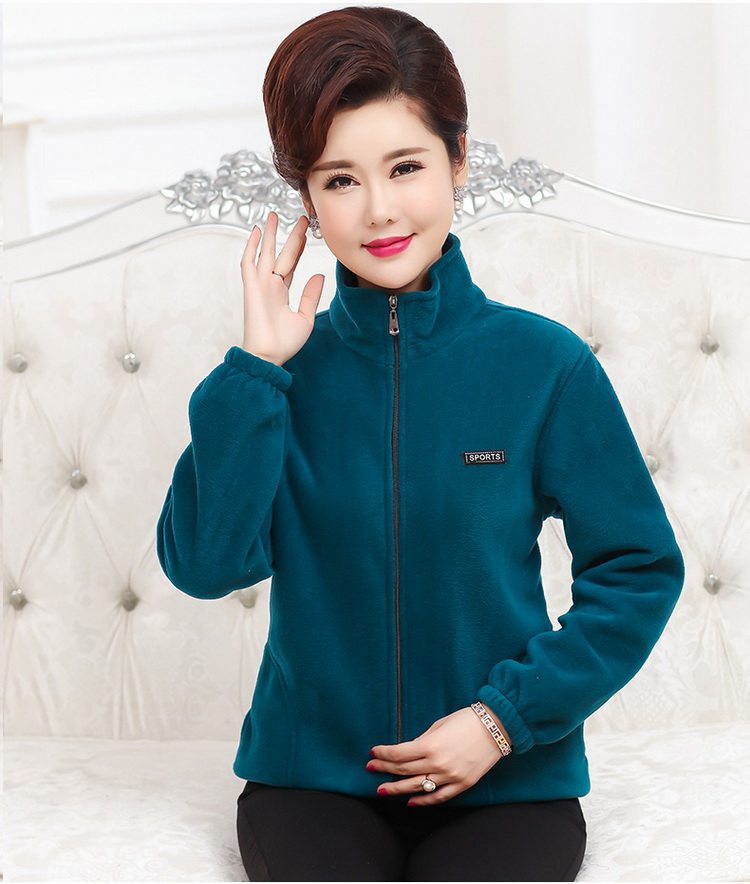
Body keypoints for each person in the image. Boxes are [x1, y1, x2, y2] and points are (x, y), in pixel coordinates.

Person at [156, 5, 685, 881]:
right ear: (307, 199)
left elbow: (638, 570)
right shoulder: (276, 383)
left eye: (406, 166)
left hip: (509, 780)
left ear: (459, 159)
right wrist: (256, 371)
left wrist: (502, 721)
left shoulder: (543, 365)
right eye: (340, 180)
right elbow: (206, 567)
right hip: (311, 783)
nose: (379, 210)